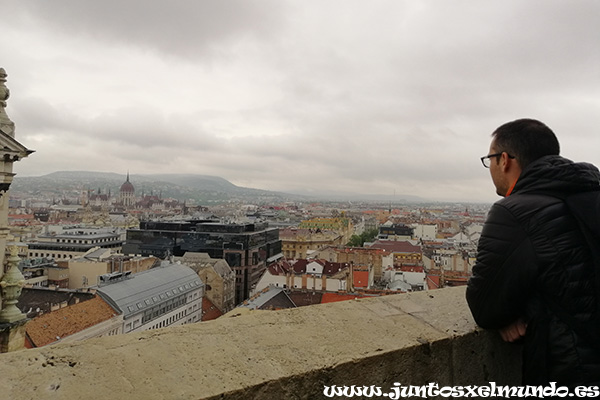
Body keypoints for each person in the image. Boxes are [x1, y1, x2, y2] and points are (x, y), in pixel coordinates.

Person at [466, 118, 600, 386]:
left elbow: (486, 308)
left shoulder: (514, 213)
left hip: (572, 369)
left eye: (489, 159)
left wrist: (518, 309)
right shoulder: (591, 192)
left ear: (504, 160)